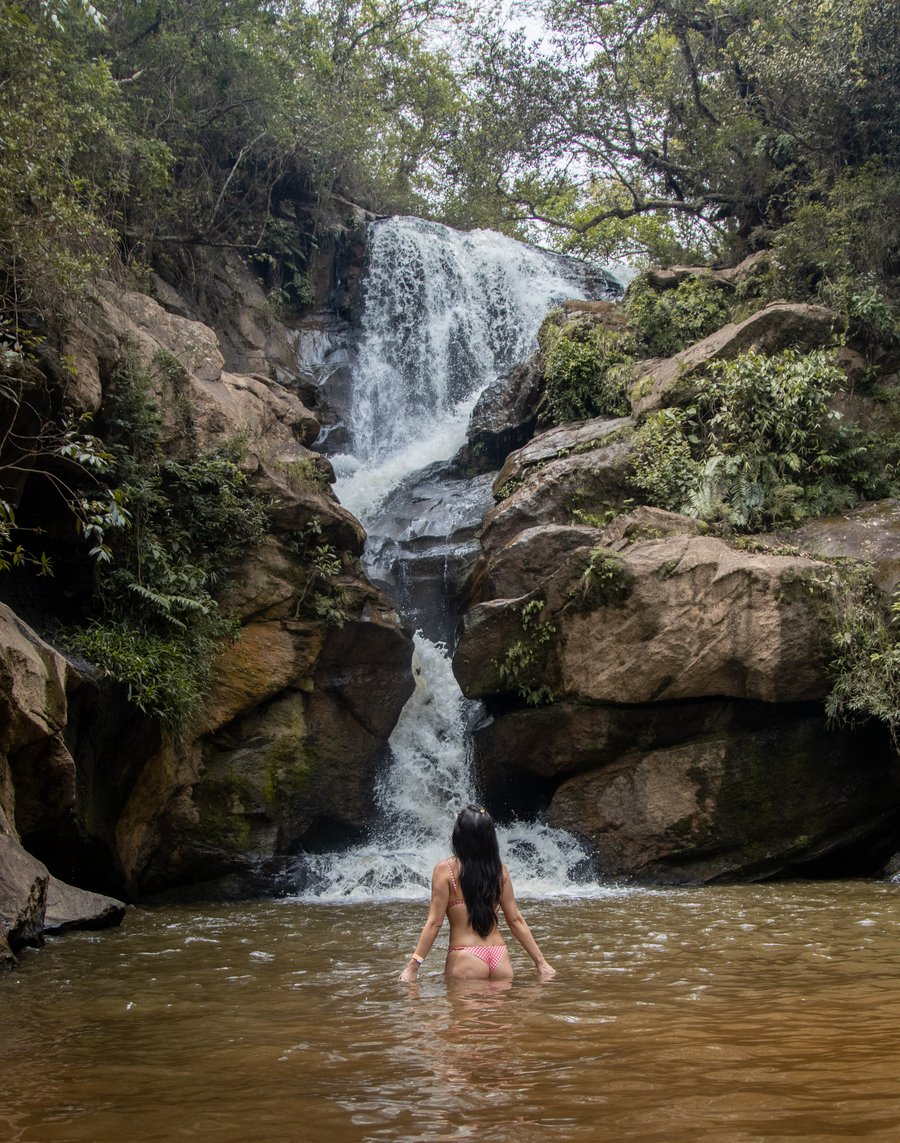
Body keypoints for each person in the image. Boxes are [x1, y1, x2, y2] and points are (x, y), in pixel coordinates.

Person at [399, 805, 556, 983]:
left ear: (459, 835)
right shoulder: (499, 872)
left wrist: (413, 966)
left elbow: (435, 923)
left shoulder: (445, 870)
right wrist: (541, 963)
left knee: (463, 1011)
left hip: (466, 957)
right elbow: (515, 920)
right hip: (500, 958)